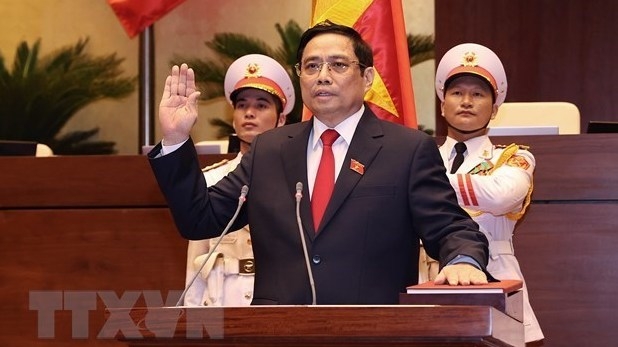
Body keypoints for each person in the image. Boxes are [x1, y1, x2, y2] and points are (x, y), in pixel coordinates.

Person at [149, 20, 492, 306]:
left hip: (374, 333)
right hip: (278, 333)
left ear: (368, 78)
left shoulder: (407, 149)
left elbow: (451, 227)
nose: (323, 76)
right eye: (311, 66)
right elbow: (200, 219)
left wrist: (463, 260)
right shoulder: (269, 150)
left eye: (338, 65)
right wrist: (177, 139)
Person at [426, 42, 543, 343]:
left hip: (495, 277)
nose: (466, 101)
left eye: (477, 94)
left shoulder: (514, 157)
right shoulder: (422, 157)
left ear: (493, 109)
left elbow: (502, 194)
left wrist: (425, 182)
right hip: (430, 279)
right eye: (456, 93)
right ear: (442, 105)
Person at [183, 54, 294, 306]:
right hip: (223, 300)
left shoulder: (298, 179)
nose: (249, 113)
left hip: (277, 302)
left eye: (262, 105)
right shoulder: (211, 179)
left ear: (282, 119)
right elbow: (196, 262)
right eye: (242, 105)